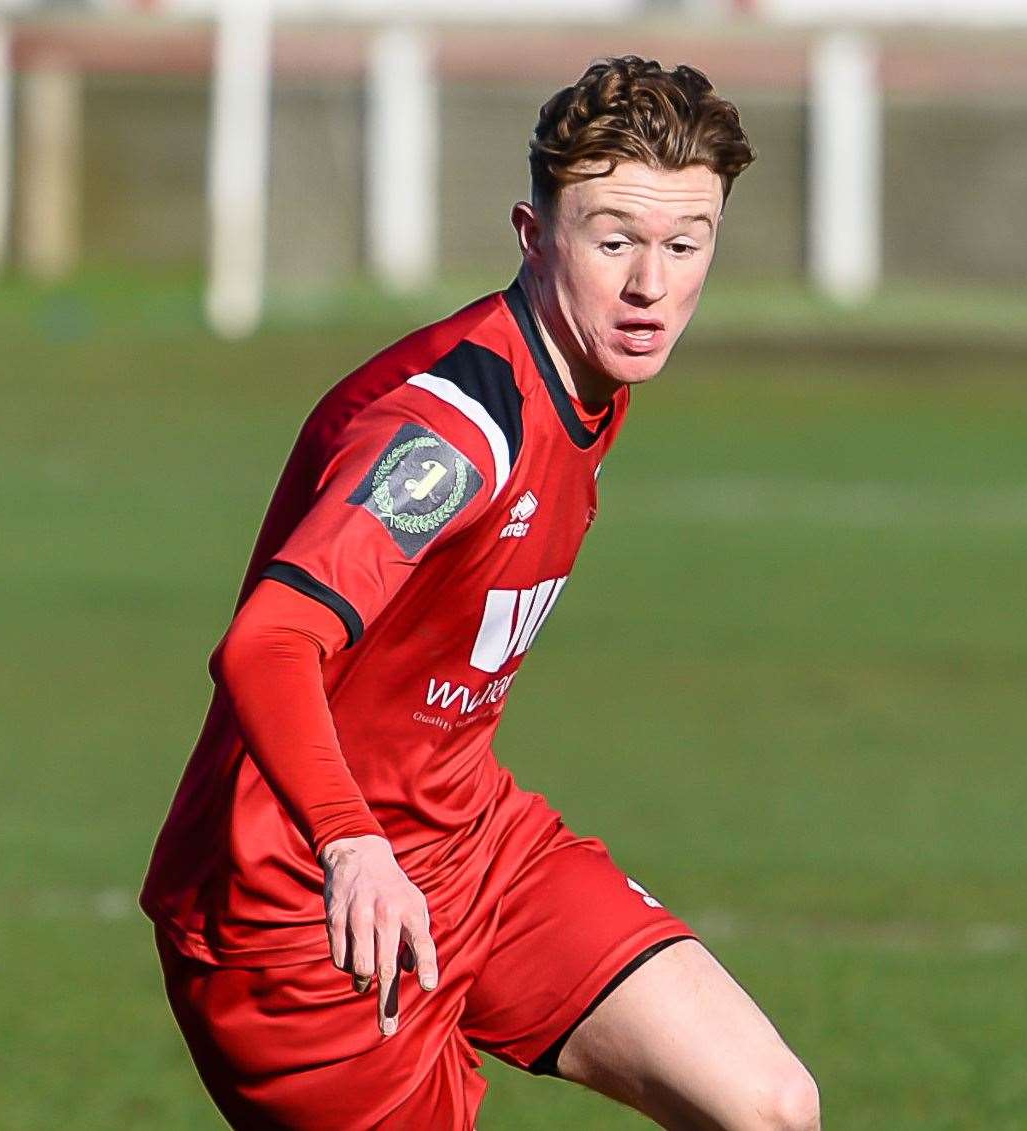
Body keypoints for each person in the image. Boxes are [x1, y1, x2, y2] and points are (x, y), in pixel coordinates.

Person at [140, 55, 820, 1131]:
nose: (649, 286)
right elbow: (268, 642)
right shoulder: (453, 435)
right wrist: (352, 847)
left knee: (768, 1104)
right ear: (532, 233)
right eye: (612, 242)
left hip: (470, 844)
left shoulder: (592, 369)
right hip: (304, 912)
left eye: (683, 246)